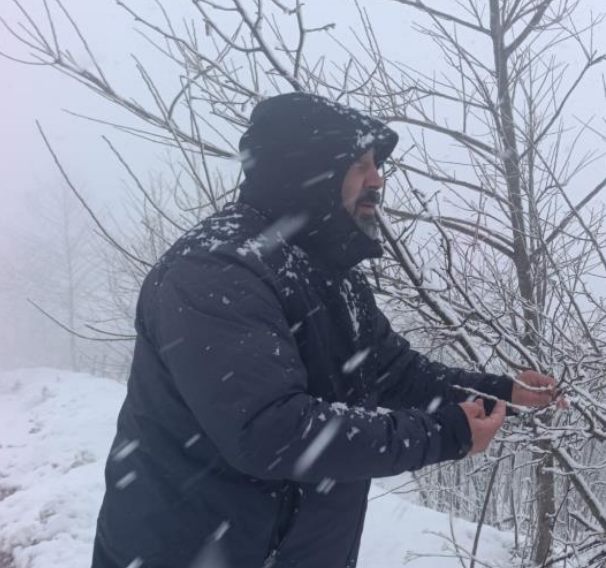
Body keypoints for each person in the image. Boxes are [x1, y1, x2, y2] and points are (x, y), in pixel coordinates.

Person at [91, 92, 561, 568]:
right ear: (307, 171)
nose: (377, 180)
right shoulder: (216, 271)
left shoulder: (328, 273)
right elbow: (272, 433)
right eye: (360, 165)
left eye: (376, 165)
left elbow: (393, 373)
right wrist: (444, 434)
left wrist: (503, 391)